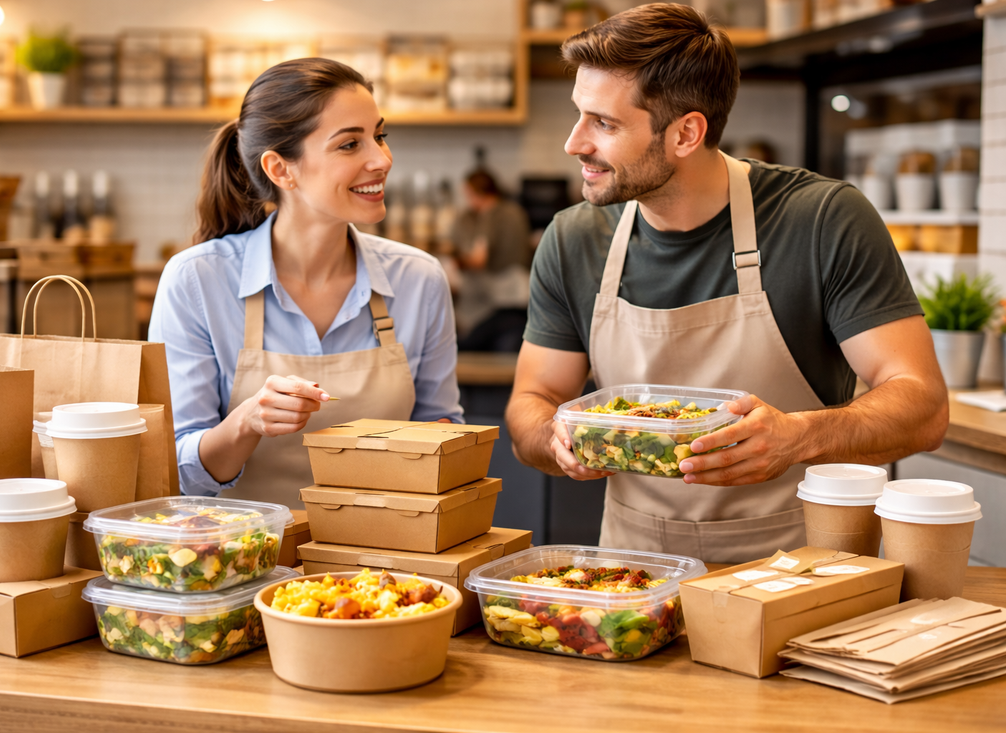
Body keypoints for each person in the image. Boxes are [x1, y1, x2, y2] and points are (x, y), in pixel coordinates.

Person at [505, 4, 949, 563]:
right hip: (632, 584)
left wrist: (798, 437)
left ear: (687, 133)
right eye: (579, 115)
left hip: (800, 573)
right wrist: (554, 438)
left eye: (604, 123)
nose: (574, 143)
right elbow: (532, 400)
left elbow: (924, 406)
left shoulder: (821, 220)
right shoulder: (573, 239)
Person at [149, 58, 463, 505]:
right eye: (350, 145)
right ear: (281, 170)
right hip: (240, 561)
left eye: (380, 136)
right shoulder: (197, 280)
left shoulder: (419, 279)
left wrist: (441, 442)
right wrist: (247, 420)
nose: (382, 159)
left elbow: (443, 426)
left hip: (381, 567)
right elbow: (177, 474)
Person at [452, 169, 533, 352]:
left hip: (499, 301)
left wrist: (458, 262)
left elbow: (479, 259)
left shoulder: (492, 214)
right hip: (521, 297)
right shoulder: (516, 212)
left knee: (471, 347)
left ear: (477, 193)